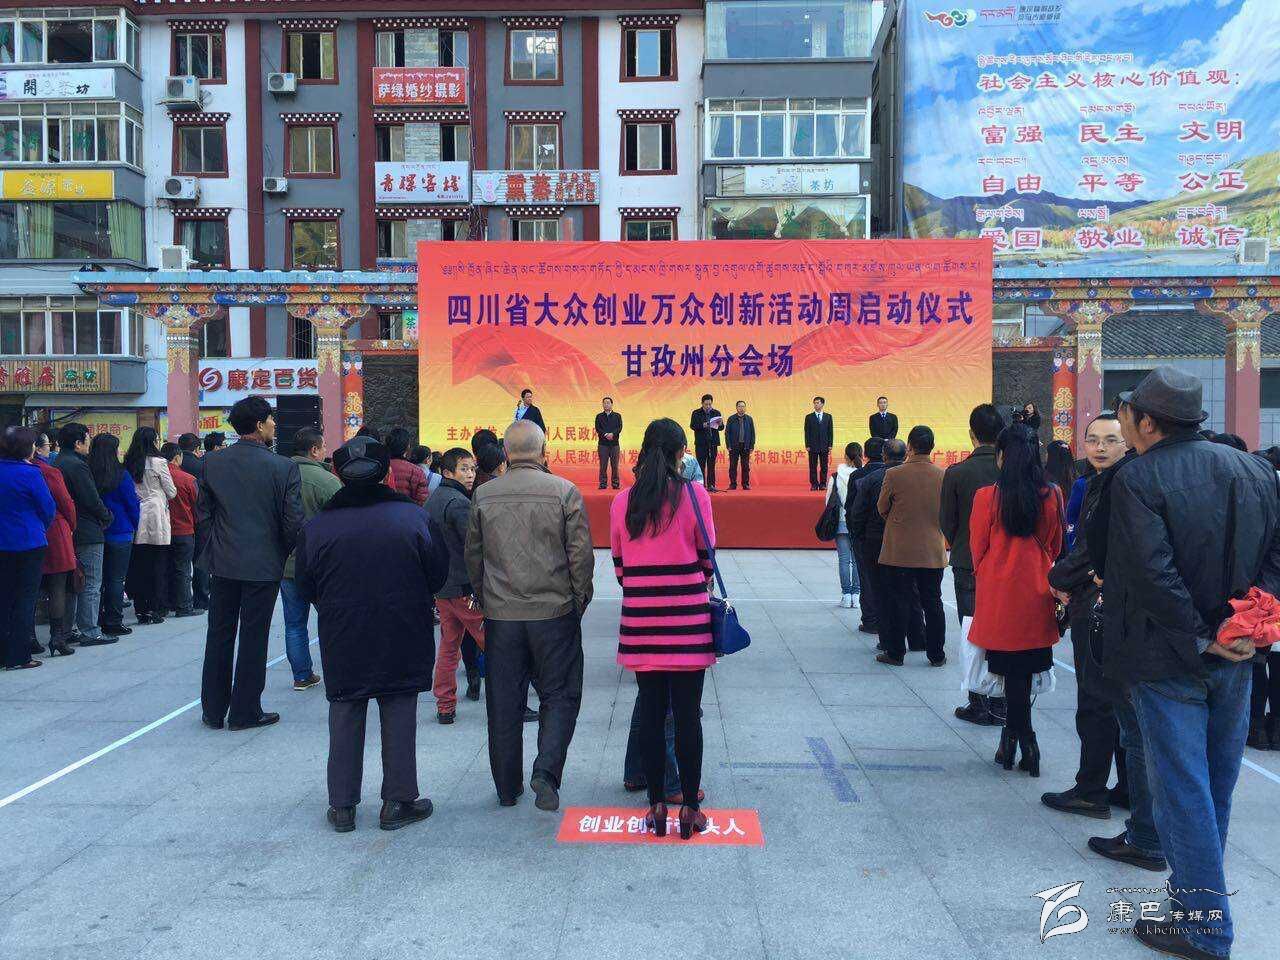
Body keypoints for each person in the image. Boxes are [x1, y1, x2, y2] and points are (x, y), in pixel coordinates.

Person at [1105, 367, 1280, 960]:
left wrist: (1205, 637)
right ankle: (1192, 903)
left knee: (1183, 789)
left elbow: (1152, 575)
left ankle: (1204, 928)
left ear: (1147, 422)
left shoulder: (1138, 478)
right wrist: (1248, 621)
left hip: (1170, 657)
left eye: (1127, 413)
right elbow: (1277, 554)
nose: (1123, 421)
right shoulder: (1254, 469)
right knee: (1214, 787)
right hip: (1236, 656)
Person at [293, 436, 448, 833]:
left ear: (339, 474)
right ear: (386, 474)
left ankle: (342, 806)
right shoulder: (413, 518)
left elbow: (305, 584)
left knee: (345, 709)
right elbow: (438, 573)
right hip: (403, 629)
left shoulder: (318, 527)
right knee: (399, 707)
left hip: (343, 632)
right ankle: (398, 801)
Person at [465, 420, 594, 811]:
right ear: (543, 451)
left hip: (502, 616)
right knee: (560, 694)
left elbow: (474, 556)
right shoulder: (564, 491)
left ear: (506, 453)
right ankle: (546, 772)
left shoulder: (484, 494)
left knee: (503, 701)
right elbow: (580, 556)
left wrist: (486, 600)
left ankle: (507, 787)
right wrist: (578, 600)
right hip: (554, 612)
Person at [610, 418, 715, 839]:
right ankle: (689, 808)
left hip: (641, 620)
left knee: (651, 714)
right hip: (688, 620)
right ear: (680, 453)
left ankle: (655, 807)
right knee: (688, 716)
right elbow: (707, 559)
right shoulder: (696, 495)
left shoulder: (622, 501)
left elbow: (620, 567)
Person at [1042, 413, 1141, 825]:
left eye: (1110, 440)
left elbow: (1092, 550)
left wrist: (1057, 578)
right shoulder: (1104, 481)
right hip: (1111, 604)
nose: (1100, 447)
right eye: (1093, 439)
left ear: (1126, 443)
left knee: (1097, 700)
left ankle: (1091, 790)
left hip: (1101, 607)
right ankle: (1127, 788)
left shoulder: (1117, 485)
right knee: (1117, 701)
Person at [198, 396, 303, 731]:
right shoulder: (283, 467)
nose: (274, 424)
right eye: (271, 419)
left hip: (223, 561)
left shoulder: (213, 463)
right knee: (254, 636)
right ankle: (245, 710)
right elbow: (293, 522)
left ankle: (213, 709)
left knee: (219, 633)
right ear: (259, 425)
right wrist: (281, 552)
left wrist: (214, 549)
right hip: (263, 564)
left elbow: (204, 516)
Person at [967, 424, 1063, 779]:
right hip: (1035, 590)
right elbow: (1054, 544)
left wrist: (989, 573)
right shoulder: (1051, 494)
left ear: (1002, 457)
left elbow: (978, 547)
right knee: (1025, 669)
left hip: (999, 593)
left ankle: (1018, 739)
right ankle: (1020, 741)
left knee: (1009, 670)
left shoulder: (987, 497)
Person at [941, 404, 1004, 726]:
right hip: (1006, 565)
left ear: (971, 434)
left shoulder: (957, 473)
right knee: (1005, 630)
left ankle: (978, 701)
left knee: (972, 631)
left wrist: (963, 544)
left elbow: (947, 522)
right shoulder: (1010, 472)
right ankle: (1002, 702)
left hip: (968, 563)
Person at [876, 426, 947, 666]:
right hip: (932, 550)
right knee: (933, 602)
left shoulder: (894, 474)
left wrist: (899, 523)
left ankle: (896, 653)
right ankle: (936, 655)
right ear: (932, 447)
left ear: (910, 446)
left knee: (899, 602)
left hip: (900, 550)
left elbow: (882, 507)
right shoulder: (942, 475)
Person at [426, 447, 487, 723]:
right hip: (464, 590)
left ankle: (445, 706)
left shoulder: (433, 499)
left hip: (443, 589)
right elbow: (473, 548)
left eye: (472, 468)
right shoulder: (459, 503)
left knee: (449, 648)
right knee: (496, 645)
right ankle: (513, 703)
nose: (470, 474)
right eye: (464, 469)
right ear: (447, 472)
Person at [279, 426, 339, 693]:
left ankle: (301, 675)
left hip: (287, 562)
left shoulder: (279, 475)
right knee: (332, 620)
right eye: (323, 447)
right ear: (314, 450)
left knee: (294, 624)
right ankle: (338, 670)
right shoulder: (326, 481)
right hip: (321, 565)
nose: (325, 451)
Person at [1, 427, 56, 670]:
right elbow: (47, 508)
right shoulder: (31, 473)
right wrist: (39, 526)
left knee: (4, 597)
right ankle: (19, 655)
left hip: (3, 542)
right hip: (29, 541)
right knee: (25, 599)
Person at [56, 423, 113, 647]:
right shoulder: (77, 466)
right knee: (90, 582)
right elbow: (91, 499)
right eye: (87, 440)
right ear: (78, 443)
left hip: (67, 530)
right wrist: (106, 516)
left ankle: (68, 629)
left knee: (72, 583)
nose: (89, 444)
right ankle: (90, 630)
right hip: (87, 529)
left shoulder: (57, 462)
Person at [123, 427, 177, 626]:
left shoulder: (129, 461)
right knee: (158, 565)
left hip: (137, 513)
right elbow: (171, 492)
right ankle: (156, 607)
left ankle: (141, 608)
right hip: (156, 515)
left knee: (139, 565)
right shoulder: (159, 462)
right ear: (153, 441)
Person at [92, 434, 138, 639]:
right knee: (116, 579)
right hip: (121, 531)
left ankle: (96, 619)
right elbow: (132, 504)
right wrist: (135, 525)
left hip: (97, 531)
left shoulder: (89, 472)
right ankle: (114, 621)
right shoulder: (121, 474)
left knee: (97, 580)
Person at [35, 439, 77, 657]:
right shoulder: (48, 472)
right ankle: (57, 637)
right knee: (58, 586)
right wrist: (71, 525)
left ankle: (29, 637)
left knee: (28, 587)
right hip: (54, 532)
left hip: (24, 535)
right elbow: (65, 503)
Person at [850, 438, 894, 636]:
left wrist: (857, 535)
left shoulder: (859, 476)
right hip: (895, 535)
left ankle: (870, 620)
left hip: (868, 537)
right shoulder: (896, 473)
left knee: (868, 579)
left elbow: (853, 509)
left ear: (865, 454)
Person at [162, 442, 200, 619]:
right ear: (177, 457)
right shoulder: (188, 479)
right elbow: (197, 505)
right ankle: (184, 606)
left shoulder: (155, 477)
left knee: (164, 568)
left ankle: (166, 603)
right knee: (183, 569)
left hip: (162, 531)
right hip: (184, 530)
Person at [828, 441, 863, 609]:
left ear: (845, 456)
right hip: (858, 522)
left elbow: (828, 502)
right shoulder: (864, 475)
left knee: (843, 559)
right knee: (857, 560)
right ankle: (856, 595)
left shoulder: (836, 476)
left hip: (841, 521)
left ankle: (846, 595)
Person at [384, 427, 428, 505]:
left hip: (382, 511)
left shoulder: (380, 467)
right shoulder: (416, 471)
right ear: (408, 446)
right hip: (409, 511)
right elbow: (422, 501)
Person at [689, 394, 723, 492]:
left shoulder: (716, 413)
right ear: (702, 403)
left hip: (713, 443)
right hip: (701, 443)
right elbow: (692, 426)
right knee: (701, 465)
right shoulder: (696, 413)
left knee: (711, 465)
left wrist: (721, 424)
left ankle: (711, 485)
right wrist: (703, 425)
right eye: (706, 404)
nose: (708, 406)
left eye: (710, 404)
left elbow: (721, 428)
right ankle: (701, 486)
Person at [805, 396, 835, 491]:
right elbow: (807, 432)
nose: (816, 404)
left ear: (822, 404)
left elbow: (830, 432)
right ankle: (814, 484)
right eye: (815, 403)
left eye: (818, 403)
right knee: (813, 466)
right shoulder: (809, 417)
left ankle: (822, 484)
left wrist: (830, 445)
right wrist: (807, 445)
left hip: (824, 445)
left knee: (824, 466)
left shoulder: (828, 417)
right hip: (812, 446)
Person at [725, 400, 756, 491]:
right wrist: (728, 445)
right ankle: (733, 484)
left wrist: (751, 446)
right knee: (733, 466)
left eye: (743, 406)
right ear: (736, 408)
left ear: (745, 408)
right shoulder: (731, 419)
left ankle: (745, 484)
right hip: (734, 446)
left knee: (745, 466)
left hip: (745, 446)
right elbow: (727, 433)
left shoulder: (749, 419)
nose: (741, 408)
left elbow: (752, 433)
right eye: (739, 406)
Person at [595, 397, 623, 490]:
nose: (606, 404)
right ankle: (603, 484)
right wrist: (606, 434)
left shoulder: (617, 416)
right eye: (604, 403)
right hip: (603, 444)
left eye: (608, 403)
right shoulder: (599, 416)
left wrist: (612, 434)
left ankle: (615, 484)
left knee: (615, 466)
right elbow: (598, 428)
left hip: (614, 445)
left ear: (612, 404)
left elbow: (619, 428)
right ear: (602, 405)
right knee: (603, 465)